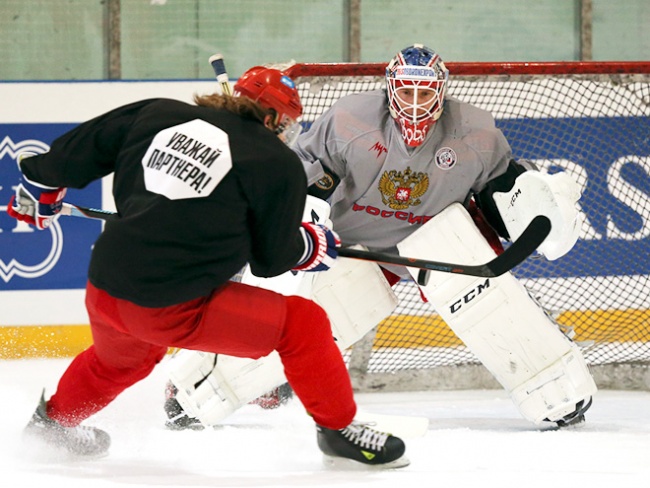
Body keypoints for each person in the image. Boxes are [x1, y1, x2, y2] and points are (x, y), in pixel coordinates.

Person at [164, 43, 594, 430]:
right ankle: (202, 386)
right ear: (390, 90)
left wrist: (543, 206)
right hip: (352, 243)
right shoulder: (349, 120)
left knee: (481, 294)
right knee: (314, 318)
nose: (415, 102)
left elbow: (503, 198)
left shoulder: (477, 134)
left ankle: (553, 384)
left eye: (425, 93)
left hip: (435, 240)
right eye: (406, 91)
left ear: (442, 92)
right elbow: (302, 186)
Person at [6, 66, 408, 469]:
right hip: (171, 306)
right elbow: (272, 258)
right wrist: (310, 243)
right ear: (269, 118)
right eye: (286, 123)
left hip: (106, 287)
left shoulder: (156, 113)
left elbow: (71, 155)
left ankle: (52, 425)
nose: (287, 133)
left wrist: (42, 188)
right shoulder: (274, 161)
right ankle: (339, 430)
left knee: (121, 361)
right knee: (303, 325)